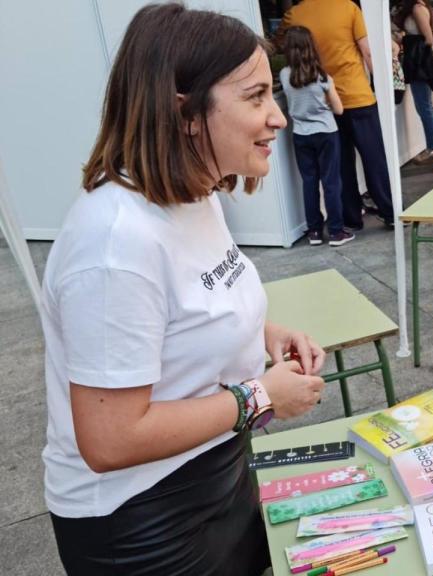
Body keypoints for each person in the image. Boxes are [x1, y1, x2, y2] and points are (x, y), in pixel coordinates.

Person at [41, 5, 328, 575]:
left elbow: (185, 308)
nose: (278, 118)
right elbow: (110, 440)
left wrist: (262, 332)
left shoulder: (194, 192)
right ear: (187, 113)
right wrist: (259, 397)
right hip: (141, 518)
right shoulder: (114, 245)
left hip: (214, 473)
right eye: (254, 98)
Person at [281, 0, 399, 229]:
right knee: (374, 158)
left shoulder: (293, 15)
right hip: (358, 96)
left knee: (341, 164)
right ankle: (390, 211)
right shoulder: (348, 8)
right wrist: (386, 89)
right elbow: (368, 52)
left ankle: (352, 218)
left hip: (324, 104)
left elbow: (283, 49)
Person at [280, 26, 354, 247]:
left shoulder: (284, 75)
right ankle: (336, 231)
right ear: (311, 47)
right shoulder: (322, 76)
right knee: (331, 183)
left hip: (300, 134)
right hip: (326, 132)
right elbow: (339, 109)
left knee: (309, 182)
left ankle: (314, 232)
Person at [396, 0, 433, 164]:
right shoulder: (420, 7)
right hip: (420, 62)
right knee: (426, 105)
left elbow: (429, 38)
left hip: (419, 64)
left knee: (423, 106)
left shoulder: (417, 8)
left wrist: (413, 49)